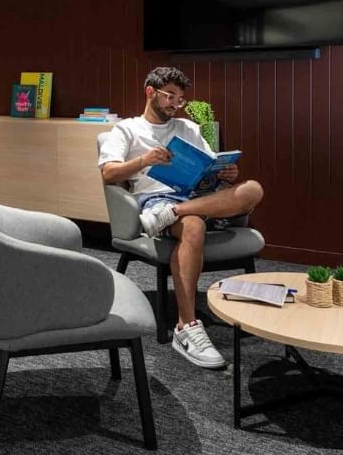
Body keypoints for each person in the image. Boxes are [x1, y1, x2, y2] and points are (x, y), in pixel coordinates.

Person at [98, 66, 264, 368]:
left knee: (252, 189)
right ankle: (186, 327)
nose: (176, 104)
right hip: (157, 198)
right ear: (150, 92)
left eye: (180, 98)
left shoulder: (189, 128)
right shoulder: (127, 129)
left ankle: (174, 213)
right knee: (193, 226)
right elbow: (108, 173)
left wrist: (226, 174)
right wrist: (144, 160)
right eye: (170, 96)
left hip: (194, 199)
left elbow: (208, 167)